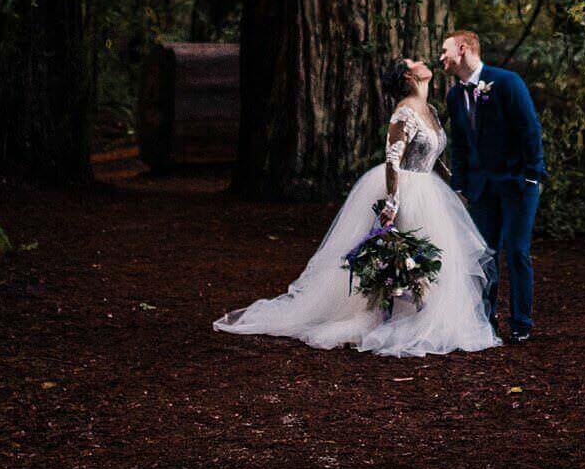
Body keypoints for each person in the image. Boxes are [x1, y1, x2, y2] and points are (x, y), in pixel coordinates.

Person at [213, 57, 500, 356]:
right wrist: (392, 199)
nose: (422, 61)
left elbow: (434, 157)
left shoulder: (431, 111)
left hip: (430, 188)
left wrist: (456, 187)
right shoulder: (404, 111)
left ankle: (427, 315)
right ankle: (393, 315)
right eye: (413, 61)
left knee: (435, 255)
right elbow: (393, 158)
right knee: (405, 251)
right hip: (407, 188)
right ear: (408, 75)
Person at [439, 30, 545, 342]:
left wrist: (532, 176)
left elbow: (530, 129)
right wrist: (460, 186)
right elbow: (459, 145)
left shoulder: (507, 82)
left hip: (517, 185)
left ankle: (521, 323)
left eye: (445, 51)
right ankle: (485, 321)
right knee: (484, 255)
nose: (441, 57)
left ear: (462, 48)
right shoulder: (454, 95)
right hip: (482, 189)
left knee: (516, 251)